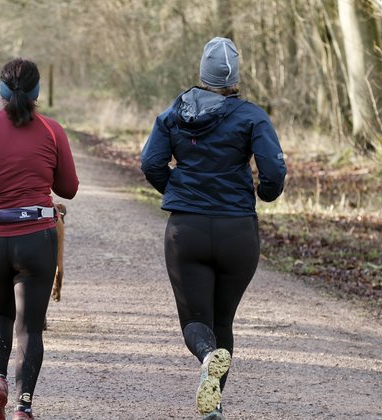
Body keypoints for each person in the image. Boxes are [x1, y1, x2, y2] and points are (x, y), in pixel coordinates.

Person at [140, 37, 286, 419]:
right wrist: (262, 192)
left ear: (202, 74)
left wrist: (179, 190)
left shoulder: (174, 114)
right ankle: (213, 407)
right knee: (223, 321)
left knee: (196, 322)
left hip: (185, 231)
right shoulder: (252, 116)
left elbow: (151, 163)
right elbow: (274, 172)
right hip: (237, 231)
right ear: (235, 76)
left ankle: (207, 357)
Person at [0, 57, 79, 420]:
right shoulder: (52, 130)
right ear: (38, 93)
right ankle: (23, 407)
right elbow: (67, 187)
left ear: (1, 91)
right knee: (30, 327)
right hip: (37, 236)